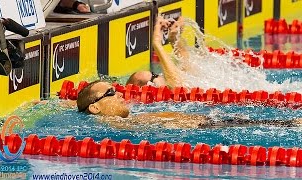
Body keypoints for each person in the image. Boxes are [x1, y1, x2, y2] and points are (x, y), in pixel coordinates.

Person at [76, 80, 302, 129]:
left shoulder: (116, 121)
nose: (120, 94)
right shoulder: (111, 125)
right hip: (204, 128)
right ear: (95, 107)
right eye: (111, 92)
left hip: (208, 124)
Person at [126, 16, 191, 88]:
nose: (160, 75)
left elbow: (187, 69)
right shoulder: (174, 91)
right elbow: (178, 85)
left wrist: (174, 39)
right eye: (154, 76)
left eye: (154, 73)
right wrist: (156, 43)